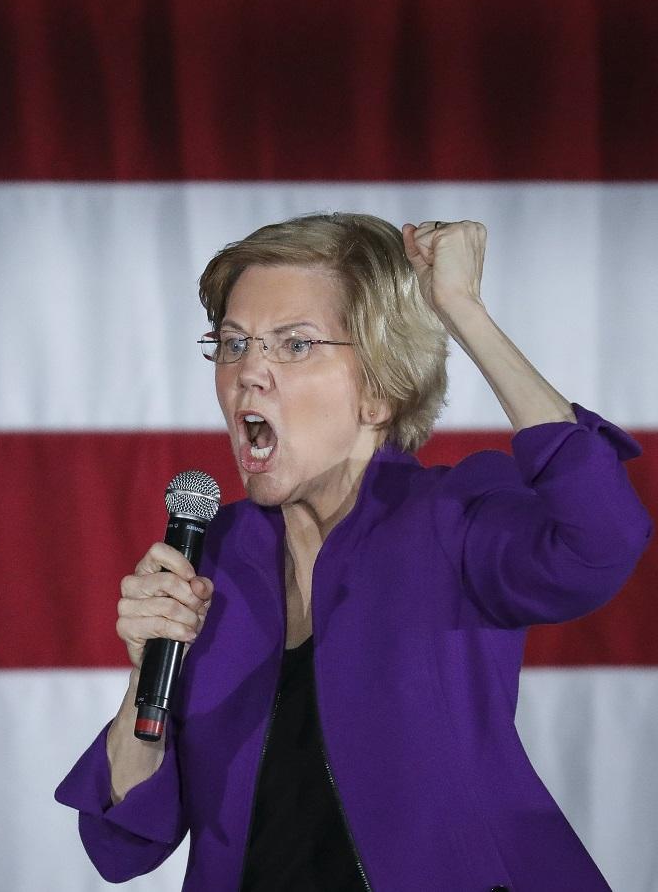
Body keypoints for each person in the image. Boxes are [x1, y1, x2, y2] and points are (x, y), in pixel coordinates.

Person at [55, 214, 652, 891]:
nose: (248, 371)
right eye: (231, 343)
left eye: (294, 345)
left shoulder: (450, 519)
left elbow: (602, 537)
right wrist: (146, 672)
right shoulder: (212, 554)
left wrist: (463, 311)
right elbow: (121, 842)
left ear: (378, 390)